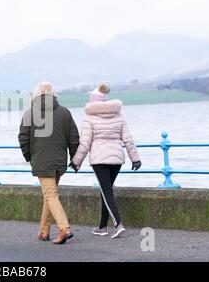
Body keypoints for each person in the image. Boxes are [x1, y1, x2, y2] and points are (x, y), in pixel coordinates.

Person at [72, 83, 141, 239]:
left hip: (99, 159)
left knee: (107, 191)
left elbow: (84, 143)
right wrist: (135, 159)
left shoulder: (89, 118)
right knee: (106, 190)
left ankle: (118, 224)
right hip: (117, 159)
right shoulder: (119, 116)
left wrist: (76, 162)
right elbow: (128, 140)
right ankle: (102, 227)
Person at [18, 82, 79, 244]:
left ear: (36, 95)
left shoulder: (29, 113)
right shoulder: (65, 112)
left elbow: (23, 139)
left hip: (42, 161)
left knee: (50, 194)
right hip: (59, 161)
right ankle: (44, 232)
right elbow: (74, 139)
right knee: (50, 195)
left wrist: (30, 157)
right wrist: (74, 159)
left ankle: (64, 228)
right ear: (53, 94)